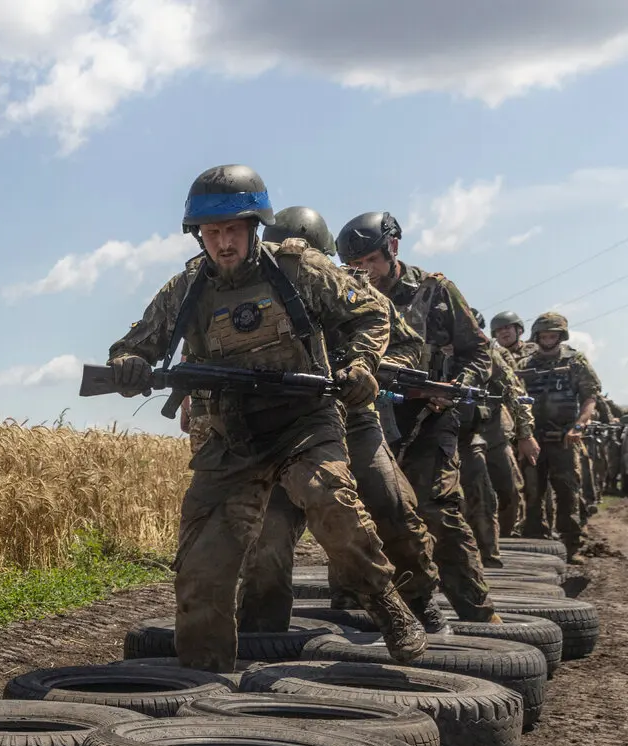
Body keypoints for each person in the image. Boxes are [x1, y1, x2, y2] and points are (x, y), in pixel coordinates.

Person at [106, 167, 425, 669]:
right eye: (212, 233)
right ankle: (198, 687)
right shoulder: (185, 288)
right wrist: (128, 365)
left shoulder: (299, 269)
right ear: (199, 235)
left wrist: (361, 365)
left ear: (255, 226)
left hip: (303, 423)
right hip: (229, 439)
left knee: (331, 500)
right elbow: (133, 345)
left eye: (234, 229)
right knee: (201, 573)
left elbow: (371, 313)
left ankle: (385, 601)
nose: (224, 243)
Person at [239, 205, 443, 633]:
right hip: (287, 429)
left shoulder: (347, 287)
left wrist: (364, 366)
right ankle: (262, 628)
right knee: (268, 530)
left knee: (390, 504)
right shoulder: (251, 297)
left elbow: (409, 345)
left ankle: (419, 603)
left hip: (353, 421)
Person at [336, 212, 500, 622]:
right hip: (369, 415)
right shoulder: (343, 295)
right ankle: (354, 607)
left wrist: (456, 388)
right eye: (355, 266)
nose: (365, 272)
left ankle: (476, 611)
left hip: (430, 415)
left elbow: (480, 352)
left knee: (436, 509)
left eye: (371, 261)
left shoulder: (437, 291)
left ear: (392, 249)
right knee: (364, 511)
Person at [518, 311, 602, 560]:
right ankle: (535, 543)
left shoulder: (576, 361)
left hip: (565, 439)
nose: (548, 338)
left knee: (567, 492)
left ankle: (572, 544)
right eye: (544, 334)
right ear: (537, 335)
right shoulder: (525, 365)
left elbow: (590, 397)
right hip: (533, 439)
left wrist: (579, 425)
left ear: (561, 335)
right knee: (532, 493)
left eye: (553, 334)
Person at [485, 310, 541, 546]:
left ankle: (517, 536)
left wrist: (525, 434)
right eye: (499, 330)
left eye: (508, 328)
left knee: (515, 487)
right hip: (472, 430)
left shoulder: (498, 354)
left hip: (507, 427)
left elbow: (516, 393)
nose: (504, 333)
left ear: (519, 329)